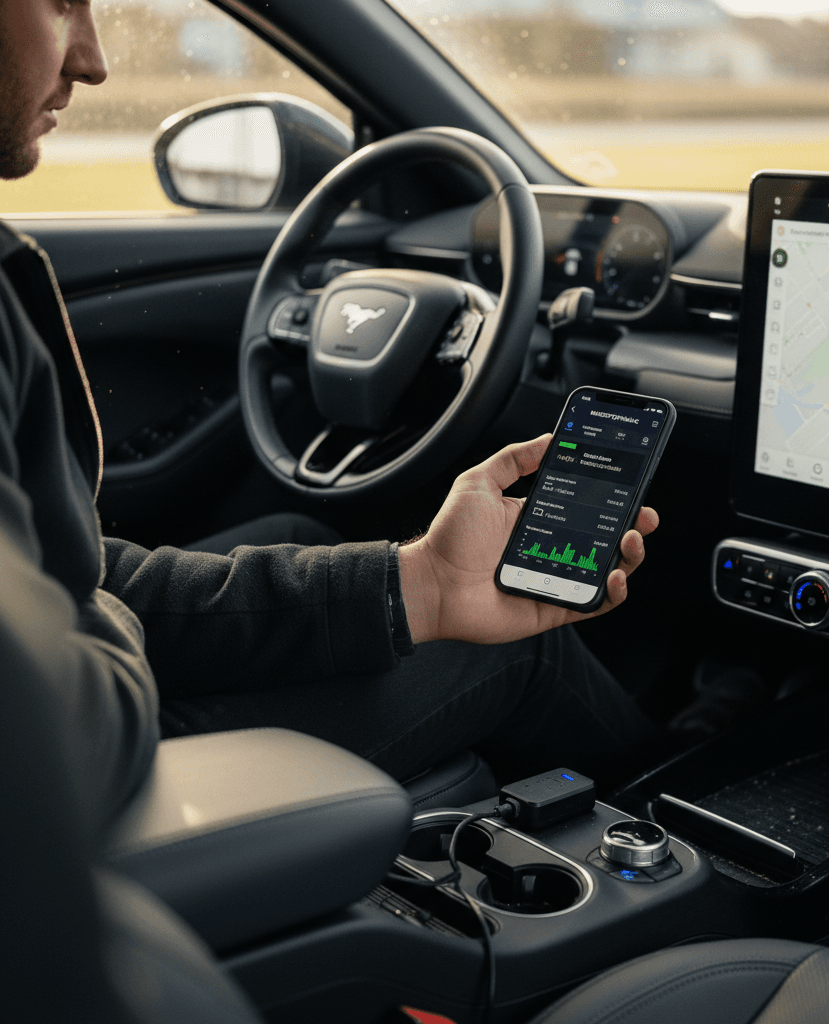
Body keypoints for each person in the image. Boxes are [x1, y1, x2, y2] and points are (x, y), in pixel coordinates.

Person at [0, 0, 669, 828]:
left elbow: (83, 585)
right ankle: (675, 809)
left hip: (68, 727)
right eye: (61, 2)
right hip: (77, 798)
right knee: (518, 649)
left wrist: (421, 585)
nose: (94, 61)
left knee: (301, 536)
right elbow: (56, 701)